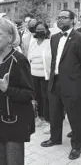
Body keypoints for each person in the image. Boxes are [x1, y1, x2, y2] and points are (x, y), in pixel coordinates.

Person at [0, 18, 35, 165]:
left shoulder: (19, 60)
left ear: (10, 37)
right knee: (0, 161)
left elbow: (29, 94)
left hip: (14, 124)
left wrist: (7, 89)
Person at [41, 10, 81, 160]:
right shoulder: (55, 37)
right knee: (55, 113)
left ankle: (77, 146)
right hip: (55, 81)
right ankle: (55, 138)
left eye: (64, 18)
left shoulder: (78, 38)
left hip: (72, 84)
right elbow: (55, 60)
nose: (60, 20)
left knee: (75, 116)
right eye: (58, 18)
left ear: (72, 20)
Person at [27, 21, 52, 134]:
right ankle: (41, 117)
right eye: (38, 29)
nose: (40, 31)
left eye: (42, 29)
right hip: (34, 75)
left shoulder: (50, 42)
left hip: (46, 76)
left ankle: (49, 121)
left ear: (46, 30)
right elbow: (29, 58)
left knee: (47, 98)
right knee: (37, 98)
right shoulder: (33, 43)